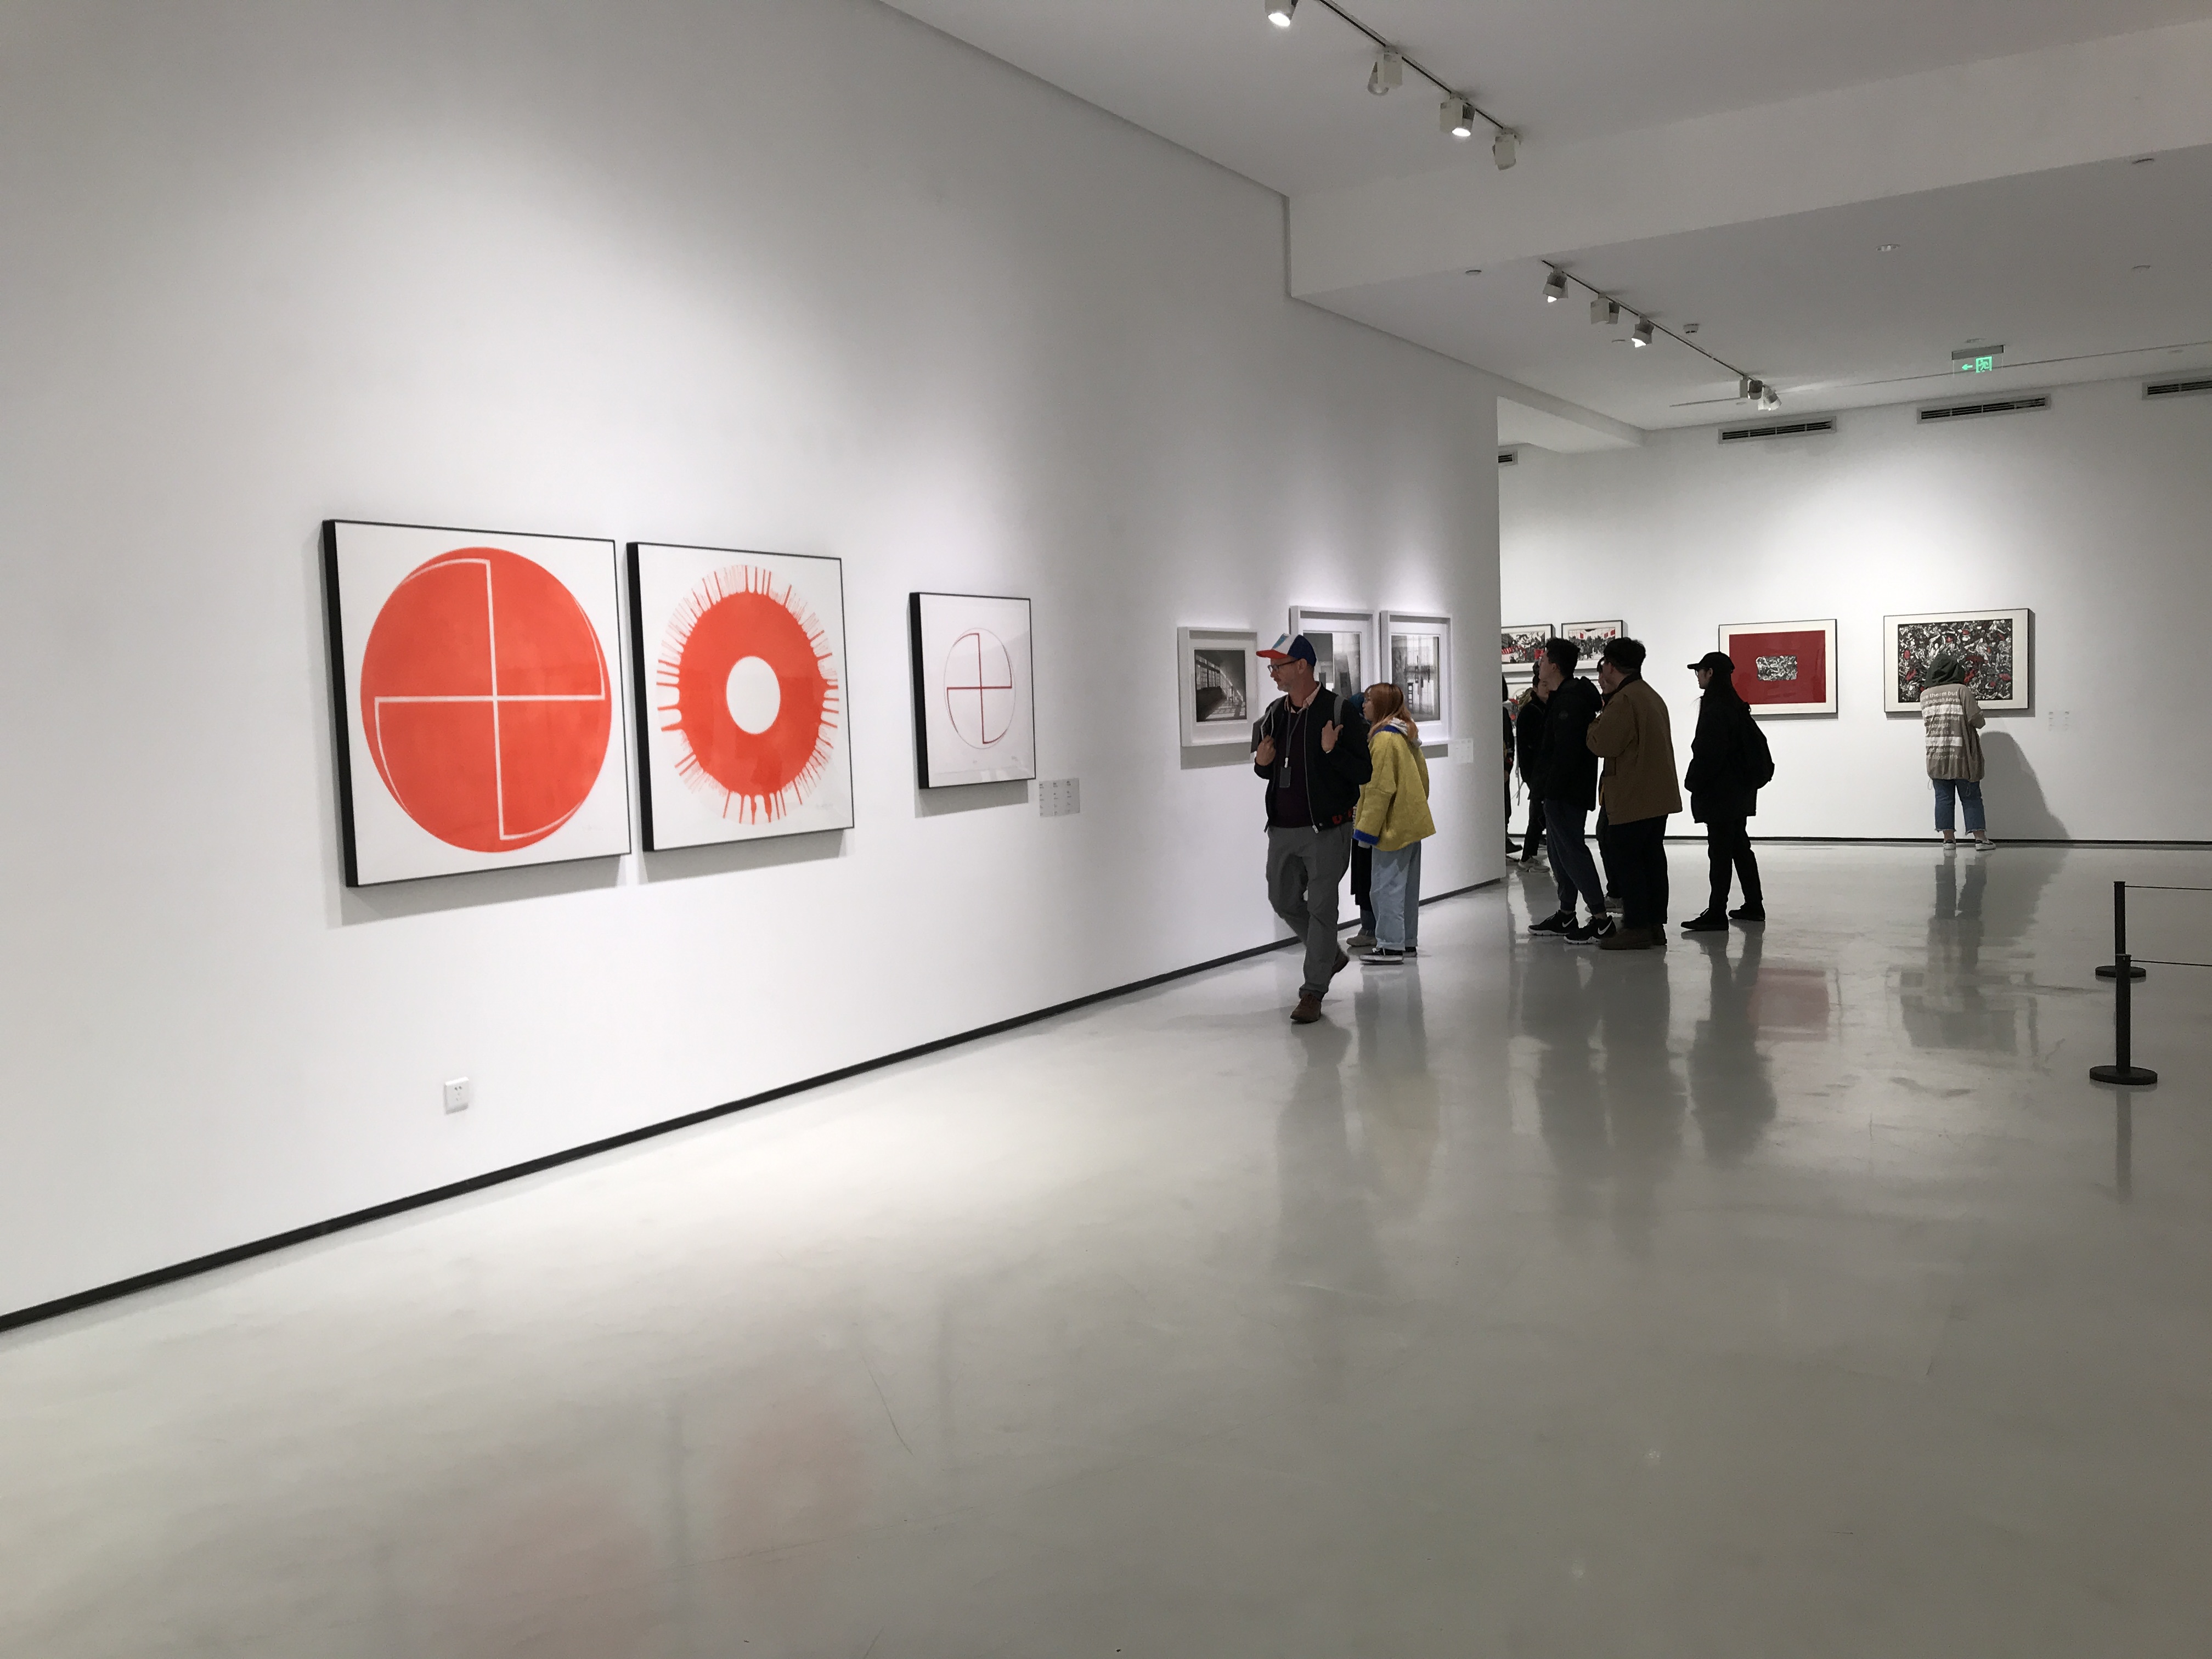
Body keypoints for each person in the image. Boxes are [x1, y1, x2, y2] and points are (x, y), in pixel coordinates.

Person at [1255, 633, 1374, 1023]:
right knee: (1282, 899)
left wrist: (1331, 750)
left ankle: (1312, 992)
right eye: (1272, 666)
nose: (1273, 672)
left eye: (1279, 666)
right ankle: (1329, 955)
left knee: (1322, 909)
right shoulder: (1274, 713)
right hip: (1282, 828)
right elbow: (1269, 770)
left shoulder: (1338, 711)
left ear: (1302, 666)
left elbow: (1363, 772)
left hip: (1327, 829)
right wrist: (1261, 764)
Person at [1584, 636, 1681, 951]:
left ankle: (1637, 926)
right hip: (1655, 794)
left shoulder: (1624, 700)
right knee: (1652, 860)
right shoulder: (1650, 695)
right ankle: (1654, 926)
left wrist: (1593, 722)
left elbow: (1603, 743)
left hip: (1632, 794)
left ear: (1610, 666)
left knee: (1629, 862)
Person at [1525, 639, 1614, 943]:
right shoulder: (1564, 698)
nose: (1539, 663)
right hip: (1561, 791)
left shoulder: (1570, 702)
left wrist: (1549, 792)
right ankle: (1566, 914)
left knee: (1572, 851)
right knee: (1559, 852)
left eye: (1543, 659)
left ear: (1554, 666)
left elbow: (1565, 754)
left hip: (1565, 792)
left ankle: (1600, 919)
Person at [1680, 651, 1770, 932]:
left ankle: (1717, 912)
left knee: (1720, 853)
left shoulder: (1715, 707)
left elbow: (1709, 753)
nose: (1697, 675)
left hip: (1721, 793)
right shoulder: (1735, 704)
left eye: (1700, 671)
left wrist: (1693, 782)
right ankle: (1754, 905)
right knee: (1739, 847)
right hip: (1738, 791)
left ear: (1710, 673)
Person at [1353, 682, 1435, 965]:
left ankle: (1389, 945)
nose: (1364, 705)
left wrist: (1366, 830)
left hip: (1392, 827)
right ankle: (1406, 941)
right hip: (1412, 822)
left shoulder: (1383, 740)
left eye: (1368, 700)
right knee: (1407, 890)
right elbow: (1423, 779)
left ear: (1381, 705)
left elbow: (1379, 789)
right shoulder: (1405, 735)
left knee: (1385, 888)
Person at [1921, 652, 1993, 850]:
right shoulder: (1961, 690)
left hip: (1936, 754)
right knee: (1971, 797)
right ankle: (1980, 839)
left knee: (1943, 798)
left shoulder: (1925, 695)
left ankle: (1948, 840)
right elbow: (1977, 720)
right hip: (1962, 755)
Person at [1512, 680, 1549, 862]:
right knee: (1537, 816)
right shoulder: (1532, 711)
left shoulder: (1542, 709)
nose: (1548, 689)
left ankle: (1529, 857)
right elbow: (1530, 748)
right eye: (1544, 685)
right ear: (1535, 688)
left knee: (1539, 816)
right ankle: (1528, 857)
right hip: (1536, 773)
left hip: (1539, 773)